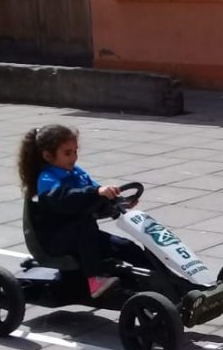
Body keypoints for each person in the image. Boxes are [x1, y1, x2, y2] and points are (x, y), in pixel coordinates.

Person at [17, 124, 140, 298]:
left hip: (81, 237)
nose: (73, 157)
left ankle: (173, 280)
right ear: (48, 156)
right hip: (55, 241)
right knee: (84, 223)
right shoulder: (47, 180)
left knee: (126, 246)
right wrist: (95, 193)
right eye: (67, 153)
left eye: (75, 151)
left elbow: (95, 200)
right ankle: (94, 279)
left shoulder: (77, 173)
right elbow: (67, 200)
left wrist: (117, 203)